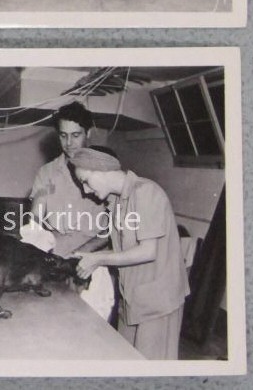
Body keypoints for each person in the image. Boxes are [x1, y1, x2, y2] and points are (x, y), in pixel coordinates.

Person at [72, 147, 190, 360]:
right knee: (126, 359)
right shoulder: (116, 202)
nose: (85, 190)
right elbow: (123, 251)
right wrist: (87, 256)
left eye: (85, 180)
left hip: (157, 302)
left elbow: (147, 251)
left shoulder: (145, 192)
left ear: (102, 170)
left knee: (151, 368)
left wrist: (98, 258)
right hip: (132, 298)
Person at [28, 102, 116, 321]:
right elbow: (35, 220)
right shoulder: (47, 173)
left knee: (90, 330)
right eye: (63, 135)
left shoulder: (104, 172)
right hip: (55, 263)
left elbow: (112, 229)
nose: (69, 143)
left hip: (91, 265)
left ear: (89, 133)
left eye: (76, 135)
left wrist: (80, 254)